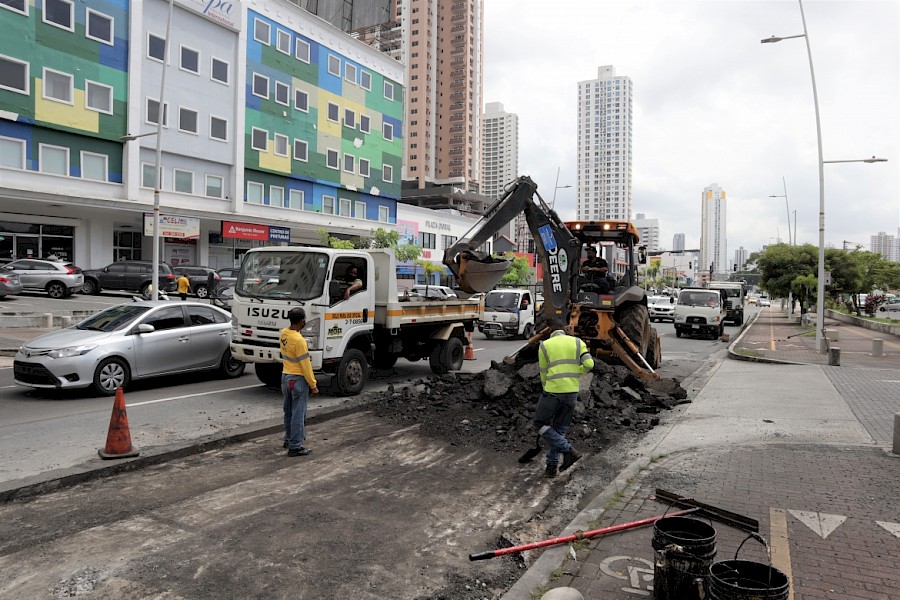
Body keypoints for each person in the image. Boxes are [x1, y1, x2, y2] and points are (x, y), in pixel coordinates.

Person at [535, 328, 594, 478]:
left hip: (553, 392)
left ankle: (569, 450)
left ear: (552, 335)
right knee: (559, 429)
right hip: (571, 393)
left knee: (540, 424)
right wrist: (576, 372)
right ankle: (551, 467)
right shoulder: (577, 342)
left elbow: (543, 371)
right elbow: (589, 364)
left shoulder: (545, 345)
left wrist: (545, 388)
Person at [280, 307, 319, 456]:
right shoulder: (300, 341)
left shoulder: (284, 333)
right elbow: (305, 366)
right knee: (298, 413)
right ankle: (295, 446)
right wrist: (313, 385)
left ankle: (288, 439)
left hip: (285, 377)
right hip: (297, 380)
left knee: (289, 411)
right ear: (302, 320)